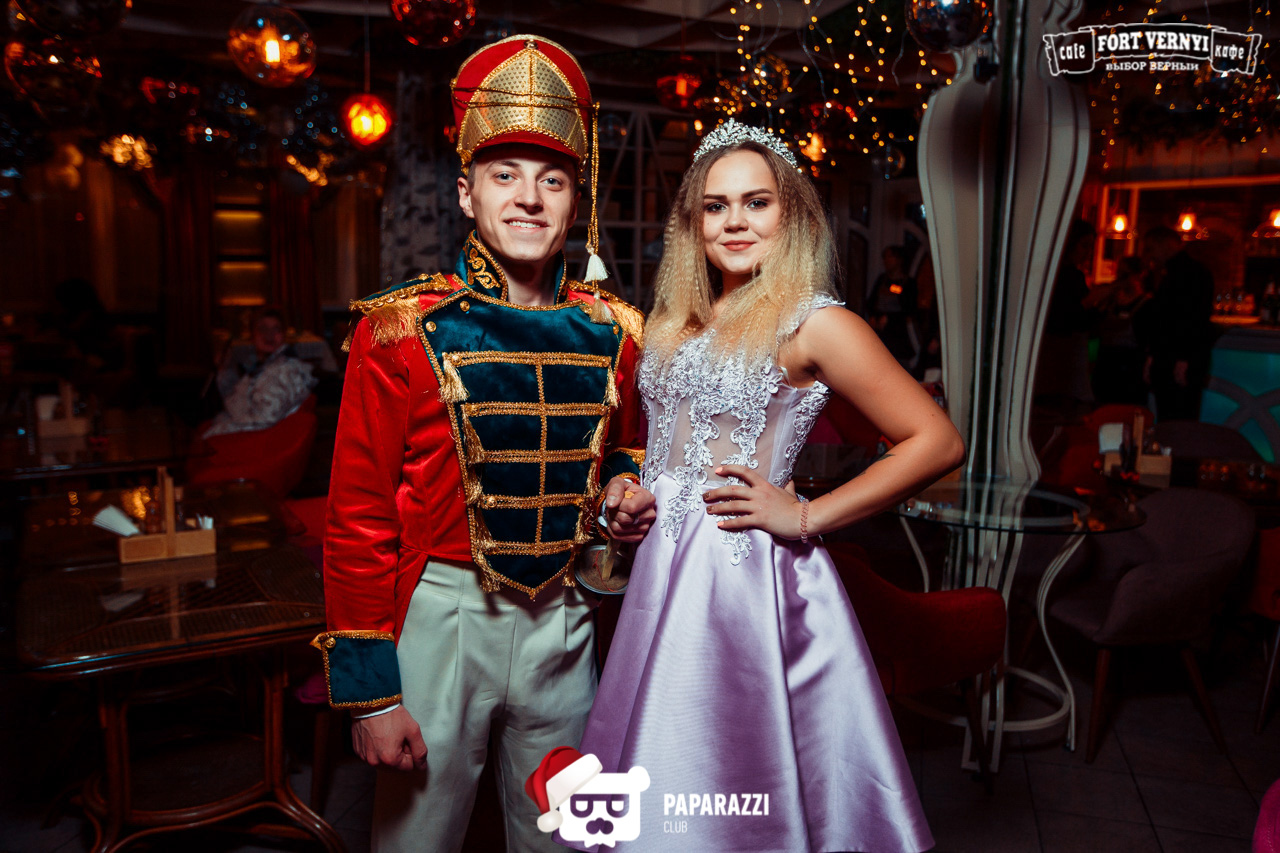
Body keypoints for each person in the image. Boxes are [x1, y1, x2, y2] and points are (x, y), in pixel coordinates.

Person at [566, 120, 963, 852]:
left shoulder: (816, 322)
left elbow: (936, 440)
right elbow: (662, 452)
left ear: (793, 215)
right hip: (659, 572)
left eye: (757, 202)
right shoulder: (675, 321)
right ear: (693, 223)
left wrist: (808, 513)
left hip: (737, 577)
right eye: (715, 206)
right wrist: (630, 498)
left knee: (720, 768)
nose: (735, 221)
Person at [310, 36, 655, 853]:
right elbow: (357, 517)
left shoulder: (618, 331)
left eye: (552, 179)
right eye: (505, 175)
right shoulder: (399, 330)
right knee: (417, 840)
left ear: (575, 199)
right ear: (466, 194)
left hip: (565, 618)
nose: (529, 197)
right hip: (443, 617)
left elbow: (627, 451)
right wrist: (372, 695)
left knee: (567, 837)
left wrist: (623, 493)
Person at [1138, 225, 1215, 421]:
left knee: (1175, 417)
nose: (1149, 255)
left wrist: (1183, 358)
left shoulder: (1183, 274)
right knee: (1177, 417)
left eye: (1150, 249)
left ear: (1164, 245)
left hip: (1175, 358)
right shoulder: (1183, 272)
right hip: (1176, 357)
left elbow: (1192, 319)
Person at [204, 307, 316, 437]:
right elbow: (236, 398)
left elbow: (264, 420)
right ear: (252, 335)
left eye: (276, 329)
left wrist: (214, 432)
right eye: (263, 329)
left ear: (284, 335)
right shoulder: (262, 364)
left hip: (263, 439)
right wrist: (224, 369)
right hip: (251, 431)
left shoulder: (283, 370)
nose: (269, 335)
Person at [1035, 219, 1096, 410]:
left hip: (1058, 348)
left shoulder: (1060, 273)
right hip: (1060, 348)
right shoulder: (1067, 275)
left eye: (1090, 247)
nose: (1088, 253)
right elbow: (1073, 315)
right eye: (1084, 246)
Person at [1086, 255, 1151, 406]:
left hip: (1131, 369)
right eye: (1118, 274)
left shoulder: (1146, 305)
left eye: (1125, 275)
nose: (1120, 279)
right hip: (1106, 367)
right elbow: (1088, 306)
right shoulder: (1110, 302)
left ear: (1138, 275)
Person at [866, 245, 919, 369]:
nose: (886, 261)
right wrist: (873, 317)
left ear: (899, 260)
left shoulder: (909, 283)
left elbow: (910, 309)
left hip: (899, 336)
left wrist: (890, 318)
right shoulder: (881, 280)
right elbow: (870, 302)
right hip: (880, 334)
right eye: (885, 257)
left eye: (890, 257)